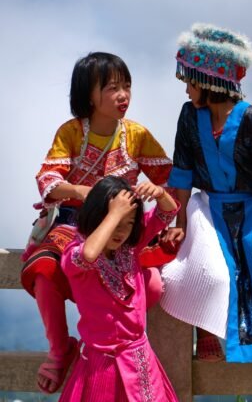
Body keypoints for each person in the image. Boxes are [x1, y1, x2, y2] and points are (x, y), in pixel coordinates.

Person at [20, 52, 174, 393]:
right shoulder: (72, 132)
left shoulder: (137, 135)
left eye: (127, 86)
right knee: (45, 270)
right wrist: (81, 190)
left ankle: (123, 344)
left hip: (124, 229)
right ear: (89, 94)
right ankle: (62, 351)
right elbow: (47, 179)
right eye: (112, 88)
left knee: (152, 286)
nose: (123, 96)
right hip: (76, 224)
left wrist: (161, 200)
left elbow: (168, 176)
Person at [160, 23, 252, 363]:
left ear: (209, 81)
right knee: (204, 270)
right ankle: (207, 333)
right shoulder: (189, 117)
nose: (186, 91)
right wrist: (179, 221)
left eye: (190, 82)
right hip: (208, 208)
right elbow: (181, 175)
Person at [59, 176, 179, 401]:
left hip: (140, 359)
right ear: (96, 215)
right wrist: (115, 214)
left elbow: (167, 213)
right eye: (115, 221)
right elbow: (88, 255)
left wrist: (160, 194)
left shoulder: (129, 248)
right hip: (101, 365)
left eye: (129, 223)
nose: (121, 231)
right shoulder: (73, 254)